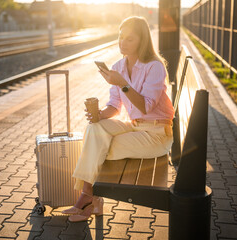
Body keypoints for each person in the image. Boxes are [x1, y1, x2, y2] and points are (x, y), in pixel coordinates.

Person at [62, 16, 175, 222]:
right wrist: (100, 115)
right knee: (94, 130)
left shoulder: (154, 67)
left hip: (157, 135)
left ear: (142, 41)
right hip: (135, 127)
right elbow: (115, 104)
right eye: (121, 37)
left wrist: (122, 83)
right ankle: (89, 197)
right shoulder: (118, 66)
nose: (122, 42)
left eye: (129, 39)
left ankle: (88, 199)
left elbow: (145, 106)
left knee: (98, 146)